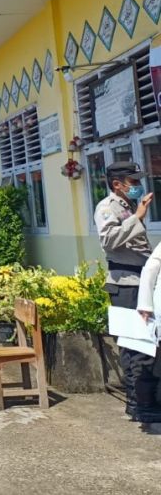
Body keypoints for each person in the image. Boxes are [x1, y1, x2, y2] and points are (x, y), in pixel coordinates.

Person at [96, 161, 157, 422]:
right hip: (125, 284)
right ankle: (139, 405)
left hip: (138, 281)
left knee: (144, 343)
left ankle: (142, 401)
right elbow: (108, 240)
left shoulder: (127, 206)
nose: (137, 186)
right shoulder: (107, 207)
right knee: (135, 345)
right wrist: (138, 217)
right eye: (132, 182)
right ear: (117, 185)